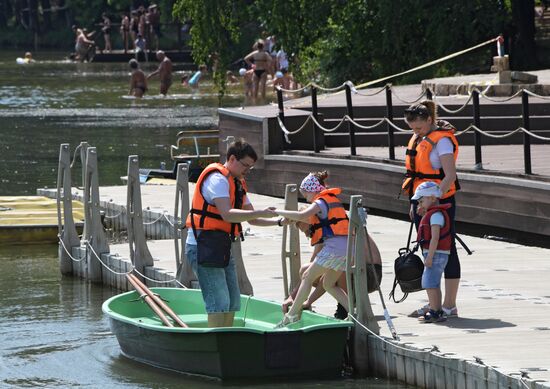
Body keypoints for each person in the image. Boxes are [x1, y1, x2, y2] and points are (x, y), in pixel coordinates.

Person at [185, 139, 281, 328]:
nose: (247, 170)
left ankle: (226, 339)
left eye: (250, 167)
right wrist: (260, 211)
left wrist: (278, 222)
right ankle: (217, 345)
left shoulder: (237, 184)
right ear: (232, 159)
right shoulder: (218, 179)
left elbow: (252, 219)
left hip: (222, 246)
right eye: (245, 165)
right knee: (218, 302)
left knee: (232, 301)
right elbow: (227, 214)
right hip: (203, 246)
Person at [402, 100, 460, 318]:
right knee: (428, 248)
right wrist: (414, 203)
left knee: (447, 249)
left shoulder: (442, 141)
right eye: (412, 129)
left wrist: (434, 200)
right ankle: (433, 303)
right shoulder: (419, 139)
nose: (416, 132)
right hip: (422, 202)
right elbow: (415, 174)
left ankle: (449, 305)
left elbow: (450, 175)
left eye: (419, 127)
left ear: (429, 120)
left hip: (440, 203)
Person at [273, 171, 350, 327]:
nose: (305, 197)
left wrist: (277, 211)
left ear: (312, 189)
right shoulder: (328, 201)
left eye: (305, 193)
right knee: (328, 284)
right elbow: (306, 218)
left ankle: (291, 315)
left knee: (308, 276)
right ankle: (355, 314)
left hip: (335, 248)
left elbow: (302, 216)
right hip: (346, 248)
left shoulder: (319, 201)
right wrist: (287, 219)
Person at [282, 224, 382, 320]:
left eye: (307, 231)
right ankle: (348, 305)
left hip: (371, 274)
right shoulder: (321, 227)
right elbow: (309, 272)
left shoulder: (332, 226)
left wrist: (309, 301)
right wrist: (292, 297)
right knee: (306, 269)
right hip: (354, 269)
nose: (307, 235)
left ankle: (345, 309)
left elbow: (329, 270)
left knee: (338, 267)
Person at [411, 182, 451, 323]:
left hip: (436, 254)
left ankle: (434, 312)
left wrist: (430, 257)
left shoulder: (436, 216)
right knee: (434, 283)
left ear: (433, 198)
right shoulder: (432, 214)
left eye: (422, 201)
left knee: (429, 283)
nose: (420, 204)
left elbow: (435, 238)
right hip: (438, 253)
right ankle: (437, 311)